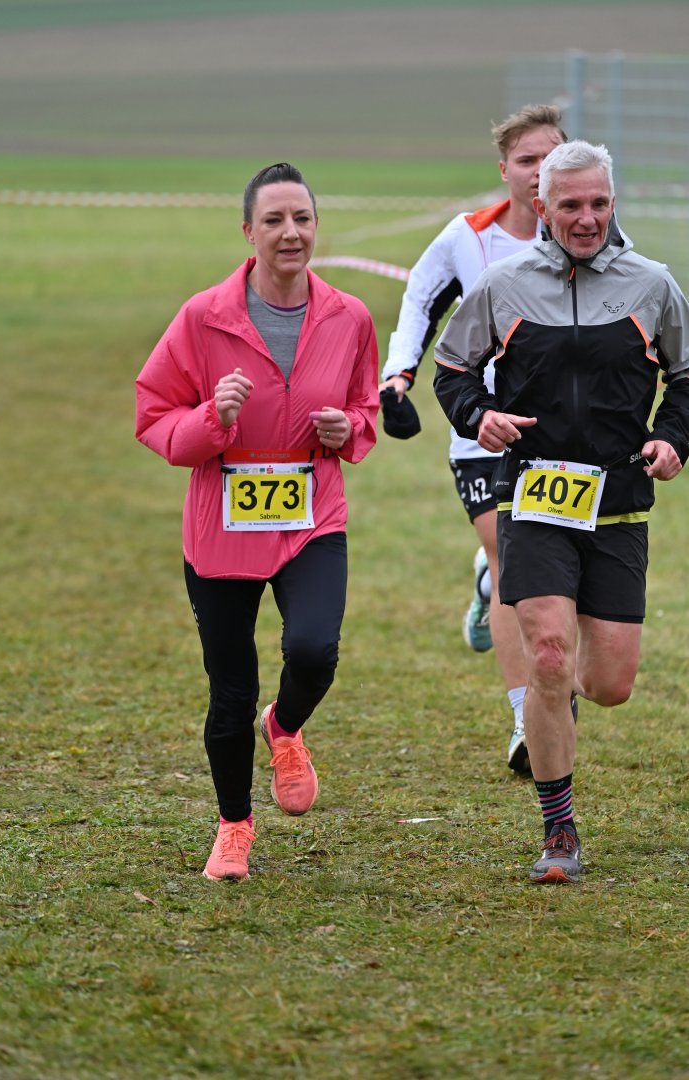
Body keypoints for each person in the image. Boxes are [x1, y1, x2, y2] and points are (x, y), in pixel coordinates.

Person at [434, 140, 689, 883]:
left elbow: (686, 378)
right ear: (541, 207)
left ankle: (554, 689)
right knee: (548, 656)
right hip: (534, 498)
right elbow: (452, 368)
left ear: (613, 204)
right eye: (570, 205)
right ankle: (559, 832)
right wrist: (478, 415)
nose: (586, 218)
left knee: (608, 684)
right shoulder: (503, 286)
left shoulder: (653, 286)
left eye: (599, 203)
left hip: (618, 508)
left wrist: (673, 439)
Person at [135, 163, 379, 882]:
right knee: (230, 690)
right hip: (221, 530)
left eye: (302, 218)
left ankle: (285, 726)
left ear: (316, 227)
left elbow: (365, 408)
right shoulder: (203, 317)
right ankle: (234, 827)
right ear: (249, 232)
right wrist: (213, 418)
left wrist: (349, 429)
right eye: (274, 220)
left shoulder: (350, 317)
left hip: (311, 516)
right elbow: (154, 418)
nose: (290, 232)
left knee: (314, 651)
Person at [380, 105, 567, 774]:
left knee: (554, 567)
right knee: (514, 559)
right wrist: (397, 377)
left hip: (563, 432)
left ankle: (488, 585)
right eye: (527, 160)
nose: (539, 171)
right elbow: (420, 301)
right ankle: (525, 719)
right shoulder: (468, 237)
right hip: (480, 429)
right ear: (504, 170)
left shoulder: (589, 231)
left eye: (551, 158)